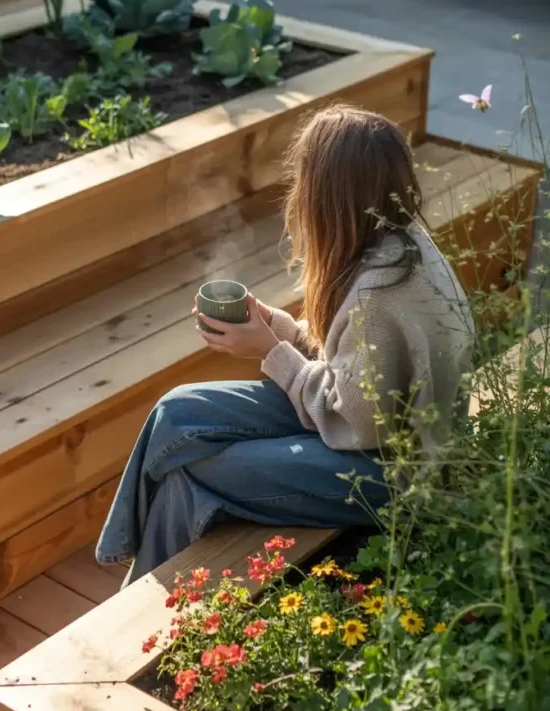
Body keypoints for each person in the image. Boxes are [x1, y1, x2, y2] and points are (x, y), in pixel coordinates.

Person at [96, 106, 474, 582]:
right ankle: (123, 553)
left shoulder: (380, 293)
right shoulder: (398, 242)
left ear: (331, 196)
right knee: (178, 410)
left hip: (394, 474)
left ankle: (138, 611)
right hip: (362, 428)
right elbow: (357, 371)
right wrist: (284, 329)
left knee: (200, 468)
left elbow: (354, 423)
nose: (298, 192)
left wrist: (270, 352)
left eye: (305, 180)